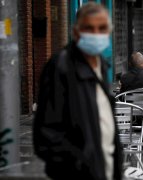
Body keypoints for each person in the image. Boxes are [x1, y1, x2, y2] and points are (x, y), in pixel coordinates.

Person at [33, 3, 122, 180]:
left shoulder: (102, 67)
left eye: (102, 28)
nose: (96, 34)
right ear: (76, 32)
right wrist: (80, 165)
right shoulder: (61, 67)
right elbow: (46, 136)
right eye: (89, 28)